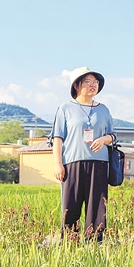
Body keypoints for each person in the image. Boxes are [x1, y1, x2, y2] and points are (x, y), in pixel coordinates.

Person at [52, 67, 117, 241]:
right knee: (70, 206)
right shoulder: (65, 108)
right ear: (76, 85)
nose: (93, 85)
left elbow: (113, 135)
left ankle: (95, 245)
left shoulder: (103, 110)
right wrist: (58, 163)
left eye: (95, 82)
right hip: (72, 163)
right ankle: (69, 244)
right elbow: (57, 138)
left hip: (99, 163)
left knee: (97, 208)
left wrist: (103, 139)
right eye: (88, 81)